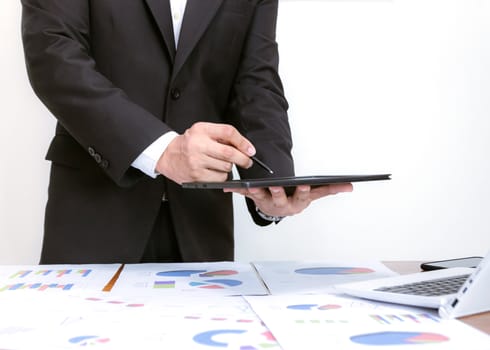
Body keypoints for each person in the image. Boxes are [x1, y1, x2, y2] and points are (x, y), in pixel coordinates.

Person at [21, 0, 353, 264]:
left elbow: (256, 81)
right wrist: (162, 150)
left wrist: (274, 184)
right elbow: (54, 57)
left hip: (201, 228)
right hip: (94, 213)